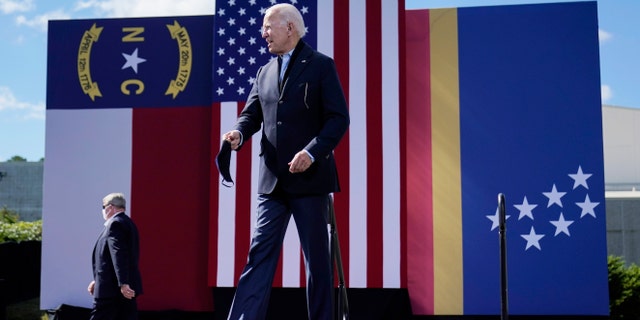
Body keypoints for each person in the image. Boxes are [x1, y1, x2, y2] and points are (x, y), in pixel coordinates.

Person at [221, 3, 350, 320]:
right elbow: (251, 114)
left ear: (290, 27)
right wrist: (238, 133)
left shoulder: (320, 65)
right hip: (272, 181)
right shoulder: (264, 71)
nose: (263, 32)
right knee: (259, 254)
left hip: (309, 179)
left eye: (268, 26)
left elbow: (338, 119)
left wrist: (311, 152)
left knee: (317, 262)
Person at [87, 193, 143, 320]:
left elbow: (119, 255)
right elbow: (111, 259)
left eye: (103, 207)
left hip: (112, 291)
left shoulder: (115, 224)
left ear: (110, 207)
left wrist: (123, 283)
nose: (103, 210)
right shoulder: (128, 223)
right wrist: (97, 280)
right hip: (122, 288)